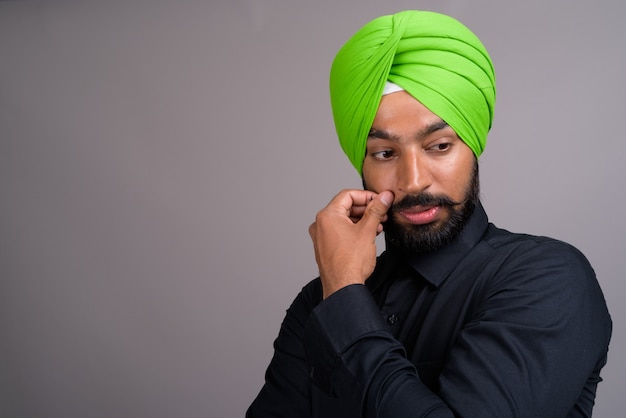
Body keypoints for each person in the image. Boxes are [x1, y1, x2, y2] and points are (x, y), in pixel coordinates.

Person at [246, 10, 612, 418]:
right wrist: (341, 292)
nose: (414, 181)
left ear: (472, 146)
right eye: (385, 153)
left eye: (439, 146)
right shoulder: (319, 301)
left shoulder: (548, 277)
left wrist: (346, 297)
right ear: (361, 166)